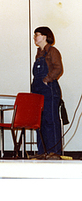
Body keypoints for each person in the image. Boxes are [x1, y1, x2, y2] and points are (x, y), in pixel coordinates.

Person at [31, 26, 63, 155]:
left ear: (44, 36)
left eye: (36, 35)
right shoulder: (38, 53)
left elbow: (58, 68)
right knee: (40, 122)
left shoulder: (53, 51)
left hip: (49, 90)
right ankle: (42, 152)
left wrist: (47, 79)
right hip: (38, 91)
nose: (34, 37)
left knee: (51, 121)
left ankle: (54, 152)